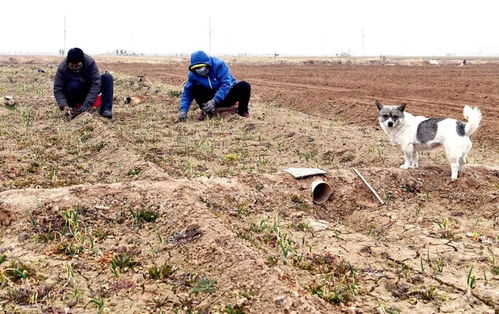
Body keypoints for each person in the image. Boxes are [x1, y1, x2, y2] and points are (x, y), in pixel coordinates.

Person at [178, 50, 251, 122]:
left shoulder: (219, 65)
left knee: (244, 86)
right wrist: (183, 111)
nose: (200, 71)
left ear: (207, 64)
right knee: (195, 88)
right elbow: (187, 92)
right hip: (209, 100)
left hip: (225, 95)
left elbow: (226, 84)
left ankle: (242, 111)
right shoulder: (192, 74)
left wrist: (214, 101)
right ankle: (207, 111)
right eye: (197, 69)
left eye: (202, 68)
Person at [54, 47, 113, 119]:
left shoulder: (90, 63)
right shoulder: (62, 68)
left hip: (89, 88)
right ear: (68, 63)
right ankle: (73, 108)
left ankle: (106, 110)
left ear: (82, 61)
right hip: (75, 91)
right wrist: (64, 105)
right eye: (72, 66)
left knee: (107, 77)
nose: (75, 68)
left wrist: (88, 103)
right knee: (73, 85)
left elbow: (96, 83)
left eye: (77, 65)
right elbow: (58, 88)